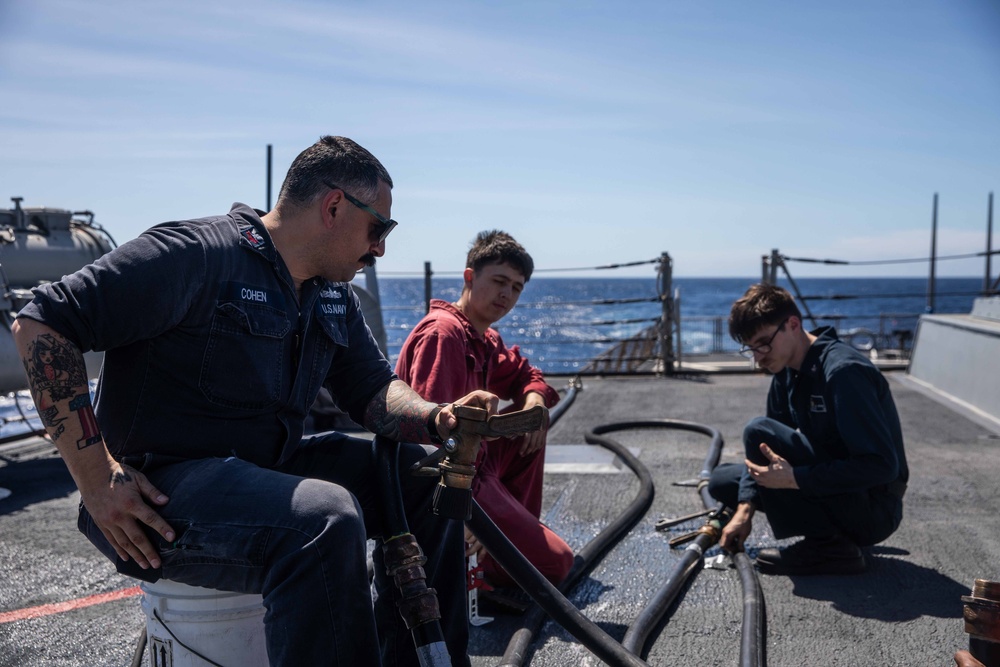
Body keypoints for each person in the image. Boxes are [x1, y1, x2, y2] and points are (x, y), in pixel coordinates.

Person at [12, 135, 498, 667]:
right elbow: (42, 323)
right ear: (334, 207)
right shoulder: (195, 255)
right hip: (159, 491)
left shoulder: (330, 293)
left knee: (423, 480)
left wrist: (438, 417)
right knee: (325, 521)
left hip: (266, 469)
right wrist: (97, 478)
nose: (380, 248)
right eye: (379, 228)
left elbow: (372, 387)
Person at [395, 230, 574, 592]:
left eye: (516, 287)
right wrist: (460, 515)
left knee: (530, 422)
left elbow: (526, 376)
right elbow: (429, 444)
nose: (507, 294)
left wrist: (536, 401)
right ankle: (476, 562)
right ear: (469, 277)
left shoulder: (484, 338)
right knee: (556, 564)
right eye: (499, 281)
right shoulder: (444, 335)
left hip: (477, 465)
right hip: (448, 480)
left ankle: (505, 533)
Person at [708, 283, 908, 575]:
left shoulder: (843, 372)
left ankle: (829, 546)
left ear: (792, 324)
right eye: (751, 348)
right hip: (835, 487)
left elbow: (882, 467)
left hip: (873, 508)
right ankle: (826, 530)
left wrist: (795, 479)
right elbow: (766, 451)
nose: (758, 357)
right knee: (722, 480)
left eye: (764, 343)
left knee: (757, 430)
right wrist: (744, 509)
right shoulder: (786, 369)